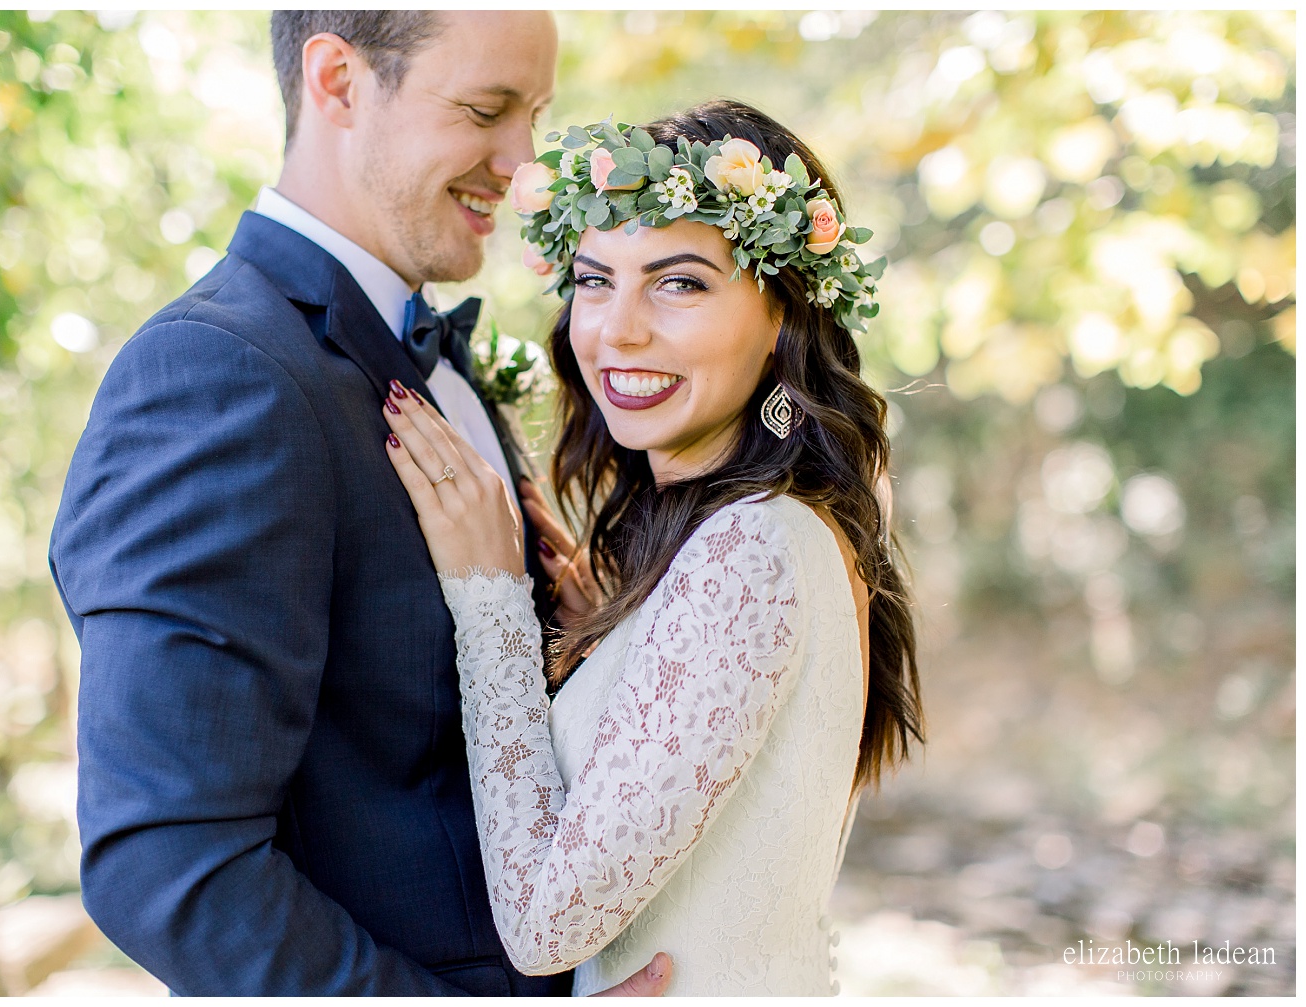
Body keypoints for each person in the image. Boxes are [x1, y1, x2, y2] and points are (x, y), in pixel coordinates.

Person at [50, 11, 668, 996]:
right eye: (485, 109)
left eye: (535, 115)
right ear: (337, 80)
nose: (523, 160)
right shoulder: (218, 374)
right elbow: (171, 868)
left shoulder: (424, 357)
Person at [382, 99, 925, 995]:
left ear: (783, 318)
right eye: (594, 281)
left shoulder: (750, 547)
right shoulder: (758, 532)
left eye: (679, 283)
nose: (618, 329)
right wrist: (611, 630)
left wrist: (489, 605)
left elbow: (541, 924)